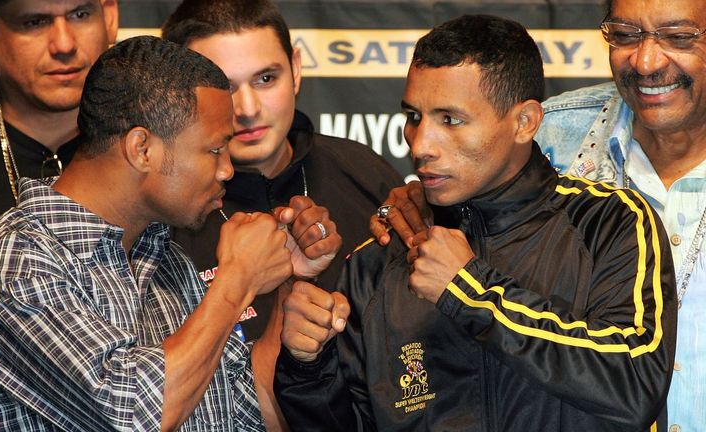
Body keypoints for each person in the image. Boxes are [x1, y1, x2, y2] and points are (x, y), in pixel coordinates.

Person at [275, 14, 677, 431]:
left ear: (525, 122)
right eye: (414, 117)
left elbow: (635, 384)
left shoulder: (608, 223)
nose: (421, 144)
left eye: (450, 120)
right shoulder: (378, 260)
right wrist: (309, 368)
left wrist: (471, 291)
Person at [0, 35, 342, 431]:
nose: (227, 171)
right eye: (214, 150)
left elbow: (252, 415)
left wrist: (290, 289)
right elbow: (137, 416)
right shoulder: (16, 264)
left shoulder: (166, 260)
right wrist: (237, 281)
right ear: (141, 149)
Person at [373, 0, 706, 429]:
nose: (645, 61)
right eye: (624, 35)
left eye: (678, 37)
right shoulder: (552, 132)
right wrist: (423, 200)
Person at [161, 1, 403, 429]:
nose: (249, 107)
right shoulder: (164, 214)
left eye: (266, 78)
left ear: (296, 68)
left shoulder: (364, 173)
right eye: (225, 87)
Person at [0, 0, 118, 313]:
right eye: (34, 22)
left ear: (110, 17)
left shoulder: (160, 142)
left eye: (80, 14)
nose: (64, 44)